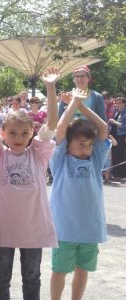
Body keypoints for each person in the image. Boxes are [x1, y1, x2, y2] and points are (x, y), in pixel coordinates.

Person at [0, 64, 60, 300]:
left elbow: (53, 123)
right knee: (1, 277)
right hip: (4, 229)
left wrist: (50, 86)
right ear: (3, 133)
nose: (18, 138)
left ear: (31, 133)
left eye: (24, 133)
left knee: (32, 277)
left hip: (33, 230)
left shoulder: (38, 153)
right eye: (12, 133)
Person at [49, 88, 111, 300]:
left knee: (82, 270)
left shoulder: (95, 160)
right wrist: (71, 105)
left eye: (90, 144)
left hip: (89, 230)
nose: (86, 148)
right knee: (59, 271)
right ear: (68, 146)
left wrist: (81, 106)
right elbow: (60, 129)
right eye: (81, 144)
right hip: (64, 231)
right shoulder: (60, 161)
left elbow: (103, 128)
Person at [108, 97, 126, 180]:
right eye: (116, 103)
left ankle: (121, 175)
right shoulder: (117, 112)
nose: (117, 105)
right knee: (114, 156)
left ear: (124, 103)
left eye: (119, 103)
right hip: (114, 136)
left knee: (119, 156)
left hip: (121, 137)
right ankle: (115, 174)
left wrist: (115, 122)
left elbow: (124, 126)